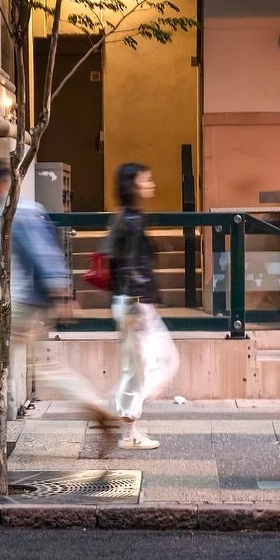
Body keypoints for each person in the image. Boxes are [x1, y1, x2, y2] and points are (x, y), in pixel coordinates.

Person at [0, 161, 114, 463]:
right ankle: (95, 407)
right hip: (24, 302)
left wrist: (61, 294)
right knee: (44, 365)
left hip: (14, 302)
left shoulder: (15, 211)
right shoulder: (16, 209)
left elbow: (43, 254)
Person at [107, 162, 178, 452]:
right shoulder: (132, 221)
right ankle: (125, 423)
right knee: (155, 365)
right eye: (145, 180)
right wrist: (135, 306)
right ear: (133, 185)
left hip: (130, 302)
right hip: (135, 304)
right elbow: (128, 268)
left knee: (143, 367)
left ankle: (123, 416)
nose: (151, 184)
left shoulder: (125, 218)